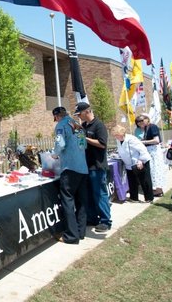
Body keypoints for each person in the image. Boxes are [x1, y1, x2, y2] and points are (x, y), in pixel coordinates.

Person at [51, 106, 89, 244]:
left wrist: (54, 155)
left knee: (67, 200)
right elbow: (83, 144)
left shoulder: (61, 125)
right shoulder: (77, 124)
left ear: (56, 117)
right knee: (81, 202)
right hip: (82, 168)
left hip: (70, 167)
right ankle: (80, 232)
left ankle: (71, 236)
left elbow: (60, 144)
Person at [74, 102, 112, 232]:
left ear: (87, 111)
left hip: (97, 166)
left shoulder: (99, 125)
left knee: (100, 194)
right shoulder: (84, 125)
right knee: (89, 194)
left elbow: (102, 144)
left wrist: (85, 138)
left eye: (79, 113)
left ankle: (106, 221)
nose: (79, 116)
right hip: (86, 166)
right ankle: (92, 218)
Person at [110, 124, 154, 203]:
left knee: (145, 181)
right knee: (132, 181)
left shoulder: (131, 139)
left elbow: (142, 149)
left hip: (140, 161)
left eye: (116, 135)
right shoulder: (118, 140)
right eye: (114, 135)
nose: (115, 137)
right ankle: (134, 198)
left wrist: (141, 160)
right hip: (129, 164)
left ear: (121, 134)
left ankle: (149, 198)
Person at [134, 113, 167, 197]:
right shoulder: (145, 128)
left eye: (142, 120)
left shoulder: (152, 127)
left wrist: (143, 142)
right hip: (149, 150)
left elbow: (156, 140)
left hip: (154, 150)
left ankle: (158, 190)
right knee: (152, 170)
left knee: (156, 170)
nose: (141, 122)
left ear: (147, 119)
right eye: (139, 121)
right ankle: (155, 189)